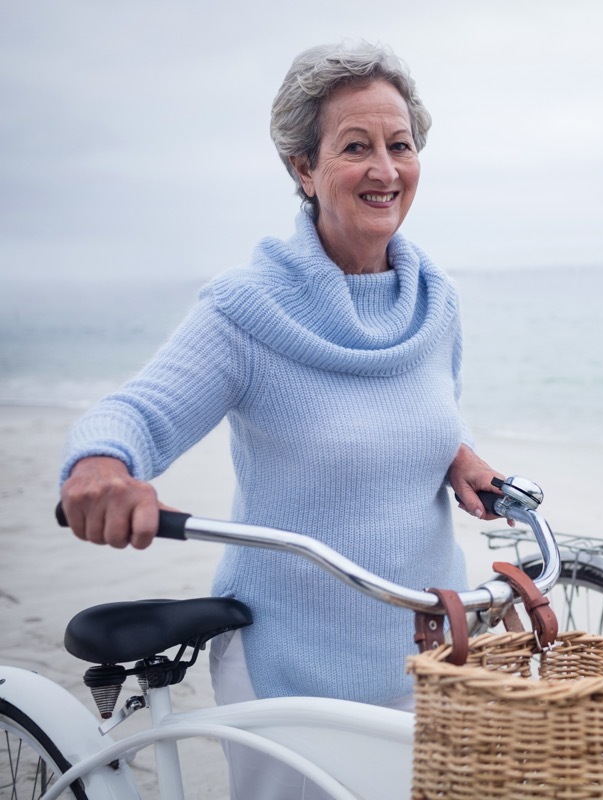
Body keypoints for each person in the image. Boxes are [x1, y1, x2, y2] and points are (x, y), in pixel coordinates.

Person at [58, 41, 502, 799]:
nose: (386, 170)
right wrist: (100, 464)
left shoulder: (437, 301)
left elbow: (411, 411)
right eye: (355, 147)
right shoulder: (248, 309)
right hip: (292, 663)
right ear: (303, 168)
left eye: (400, 146)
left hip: (430, 649)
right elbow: (138, 409)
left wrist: (453, 452)